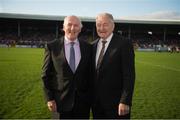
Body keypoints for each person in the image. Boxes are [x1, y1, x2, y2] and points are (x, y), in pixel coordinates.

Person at [41, 15, 92, 119]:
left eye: (76, 25)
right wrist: (49, 99)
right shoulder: (52, 46)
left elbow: (91, 74)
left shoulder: (88, 47)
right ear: (63, 27)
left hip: (82, 104)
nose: (72, 28)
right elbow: (45, 75)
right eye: (69, 25)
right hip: (59, 102)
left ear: (80, 29)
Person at [92, 13, 135, 119]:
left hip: (117, 105)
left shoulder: (124, 43)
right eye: (98, 25)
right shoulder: (93, 45)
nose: (101, 28)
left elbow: (129, 75)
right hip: (96, 105)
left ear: (113, 26)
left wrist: (125, 101)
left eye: (105, 24)